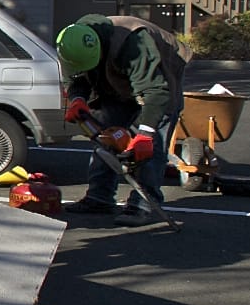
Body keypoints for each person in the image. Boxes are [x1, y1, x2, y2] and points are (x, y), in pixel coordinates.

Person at [55, 13, 187, 217]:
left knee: (152, 147)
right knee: (105, 139)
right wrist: (77, 99)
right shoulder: (69, 45)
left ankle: (144, 204)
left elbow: (156, 92)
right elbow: (75, 78)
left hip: (159, 83)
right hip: (116, 84)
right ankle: (99, 198)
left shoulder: (133, 43)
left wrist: (145, 133)